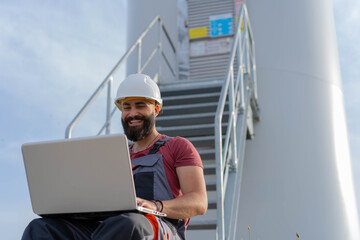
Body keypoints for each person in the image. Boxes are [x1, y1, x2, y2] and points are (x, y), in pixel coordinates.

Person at [22, 73, 208, 239]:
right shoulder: (113, 154)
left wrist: (155, 206)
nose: (132, 113)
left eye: (140, 106)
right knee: (41, 228)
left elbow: (199, 202)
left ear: (156, 109)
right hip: (113, 227)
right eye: (126, 107)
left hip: (160, 227)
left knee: (129, 224)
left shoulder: (177, 146)